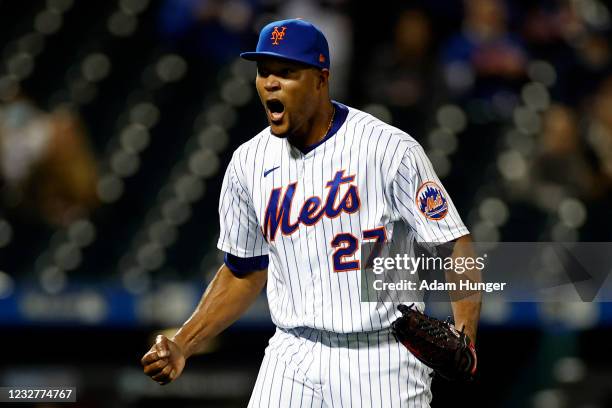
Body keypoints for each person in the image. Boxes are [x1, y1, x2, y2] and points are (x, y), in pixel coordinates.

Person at [141, 18, 481, 407]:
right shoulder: (247, 163)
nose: (270, 82)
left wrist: (464, 336)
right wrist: (184, 343)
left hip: (381, 357)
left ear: (321, 79)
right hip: (292, 353)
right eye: (263, 71)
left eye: (286, 72)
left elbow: (454, 244)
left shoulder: (387, 149)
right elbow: (244, 270)